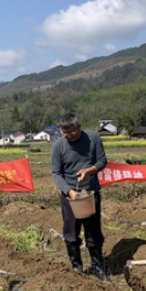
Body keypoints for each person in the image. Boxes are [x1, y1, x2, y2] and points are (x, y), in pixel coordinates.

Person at [51, 113, 108, 281]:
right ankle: (77, 268)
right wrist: (69, 191)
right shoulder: (58, 146)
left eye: (72, 132)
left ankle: (99, 268)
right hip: (70, 196)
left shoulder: (93, 138)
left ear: (79, 126)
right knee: (71, 233)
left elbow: (102, 161)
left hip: (90, 193)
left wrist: (89, 171)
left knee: (94, 232)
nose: (69, 136)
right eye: (65, 132)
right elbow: (56, 173)